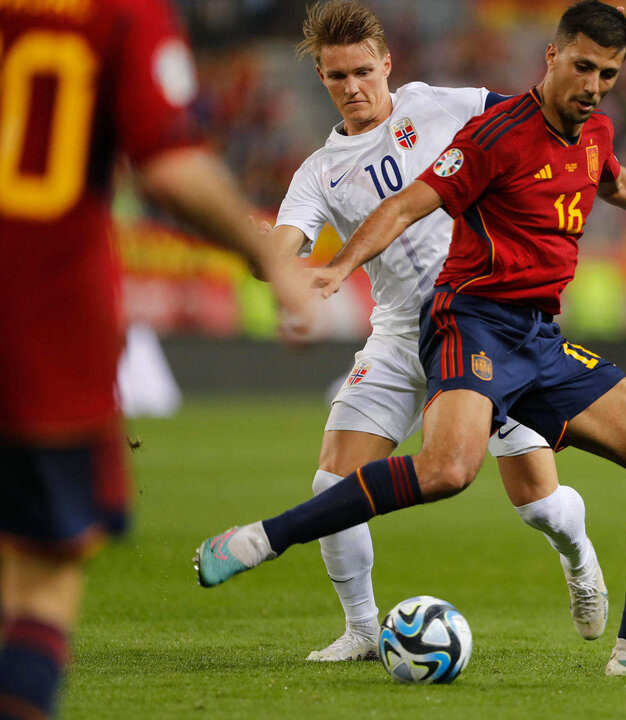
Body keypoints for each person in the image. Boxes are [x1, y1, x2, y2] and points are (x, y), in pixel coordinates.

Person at [196, 0, 626, 677]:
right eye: (336, 76)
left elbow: (610, 178)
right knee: (431, 470)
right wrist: (311, 262)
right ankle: (296, 569)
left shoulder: (481, 112)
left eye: (605, 72)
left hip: (531, 337)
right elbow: (399, 206)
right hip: (457, 321)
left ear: (387, 66)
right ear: (552, 58)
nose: (591, 85)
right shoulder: (456, 142)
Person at [213, 0, 612, 662]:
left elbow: (532, 118)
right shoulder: (317, 172)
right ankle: (363, 630)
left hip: (488, 319)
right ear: (320, 76)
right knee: (331, 484)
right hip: (401, 333)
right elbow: (286, 250)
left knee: (537, 504)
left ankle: (577, 554)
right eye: (337, 77)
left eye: (363, 71)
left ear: (388, 64)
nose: (353, 88)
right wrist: (262, 252)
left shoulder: (437, 105)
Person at [0, 1, 311, 718]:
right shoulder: (117, 11)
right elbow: (170, 169)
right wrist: (262, 250)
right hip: (38, 323)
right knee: (41, 579)